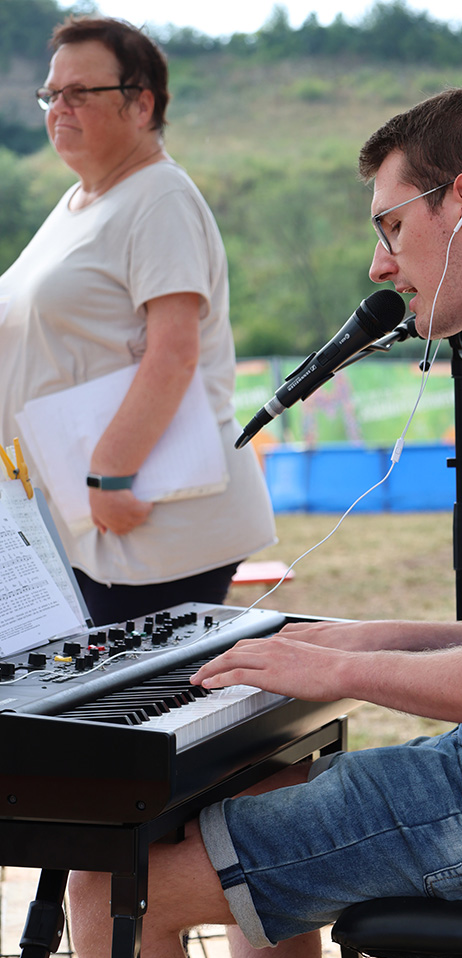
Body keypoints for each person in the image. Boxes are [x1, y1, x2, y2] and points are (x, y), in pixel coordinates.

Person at [68, 86, 462, 958]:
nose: (380, 263)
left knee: (113, 886)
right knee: (259, 807)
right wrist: (371, 636)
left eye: (390, 226)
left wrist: (337, 675)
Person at [0, 16, 276, 626]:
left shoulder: (160, 197)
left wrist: (108, 476)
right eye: (51, 94)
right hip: (87, 515)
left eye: (80, 92)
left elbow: (173, 353)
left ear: (140, 102)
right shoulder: (80, 203)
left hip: (145, 514)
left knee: (132, 709)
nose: (58, 108)